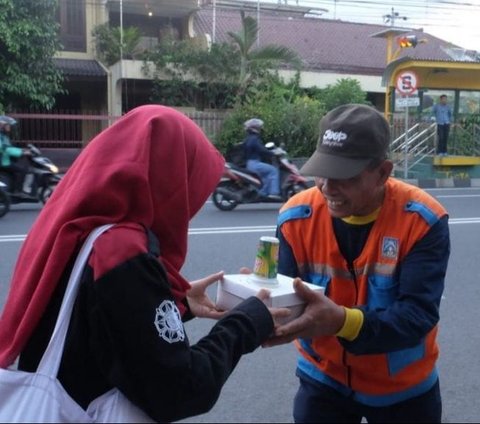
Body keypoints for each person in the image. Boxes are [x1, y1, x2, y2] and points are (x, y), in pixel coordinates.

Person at [0, 105, 290, 422]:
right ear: (168, 179)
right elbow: (181, 389)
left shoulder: (76, 228)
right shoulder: (122, 250)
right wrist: (249, 322)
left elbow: (101, 319)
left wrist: (179, 303)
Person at [266, 104, 450, 423]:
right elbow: (283, 293)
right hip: (323, 380)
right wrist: (255, 302)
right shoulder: (295, 217)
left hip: (404, 389)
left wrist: (341, 321)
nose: (327, 187)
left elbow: (417, 315)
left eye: (344, 176)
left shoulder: (422, 220)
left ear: (383, 172)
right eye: (322, 172)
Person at [243, 118, 282, 200]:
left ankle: (262, 193)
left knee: (267, 175)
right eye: (259, 127)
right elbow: (261, 149)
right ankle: (274, 193)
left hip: (251, 163)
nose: (260, 129)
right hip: (254, 163)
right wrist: (273, 153)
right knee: (273, 171)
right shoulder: (254, 139)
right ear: (254, 128)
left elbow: (260, 149)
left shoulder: (249, 138)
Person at [0, 115, 31, 196]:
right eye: (8, 125)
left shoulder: (4, 136)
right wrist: (21, 153)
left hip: (5, 160)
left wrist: (22, 150)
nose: (9, 127)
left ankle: (12, 189)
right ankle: (18, 191)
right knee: (22, 170)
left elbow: (9, 147)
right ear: (2, 125)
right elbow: (4, 149)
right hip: (3, 162)